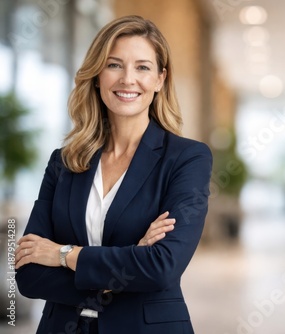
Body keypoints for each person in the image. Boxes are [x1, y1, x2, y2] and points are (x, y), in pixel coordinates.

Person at [15, 15, 212, 334]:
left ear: (161, 79)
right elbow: (29, 274)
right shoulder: (64, 161)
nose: (127, 79)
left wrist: (63, 254)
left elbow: (162, 267)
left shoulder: (187, 158)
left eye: (143, 67)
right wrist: (129, 262)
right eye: (114, 65)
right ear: (96, 75)